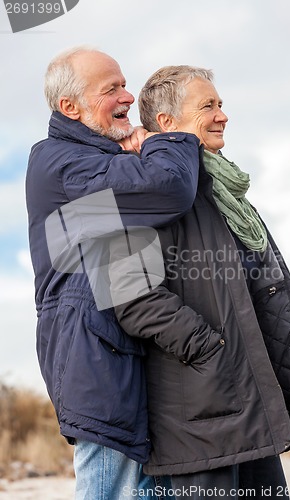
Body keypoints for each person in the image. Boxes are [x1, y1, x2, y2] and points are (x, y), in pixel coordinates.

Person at [114, 65, 290, 499]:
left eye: (221, 104)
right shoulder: (136, 184)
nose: (223, 115)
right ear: (167, 123)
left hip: (248, 403)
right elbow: (129, 296)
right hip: (202, 412)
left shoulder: (218, 190)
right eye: (208, 106)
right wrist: (210, 349)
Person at [25, 49, 202, 500]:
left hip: (116, 351)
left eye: (125, 83)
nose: (128, 95)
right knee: (115, 489)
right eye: (112, 89)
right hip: (97, 358)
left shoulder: (99, 157)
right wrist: (168, 139)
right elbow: (169, 188)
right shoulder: (59, 163)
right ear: (71, 108)